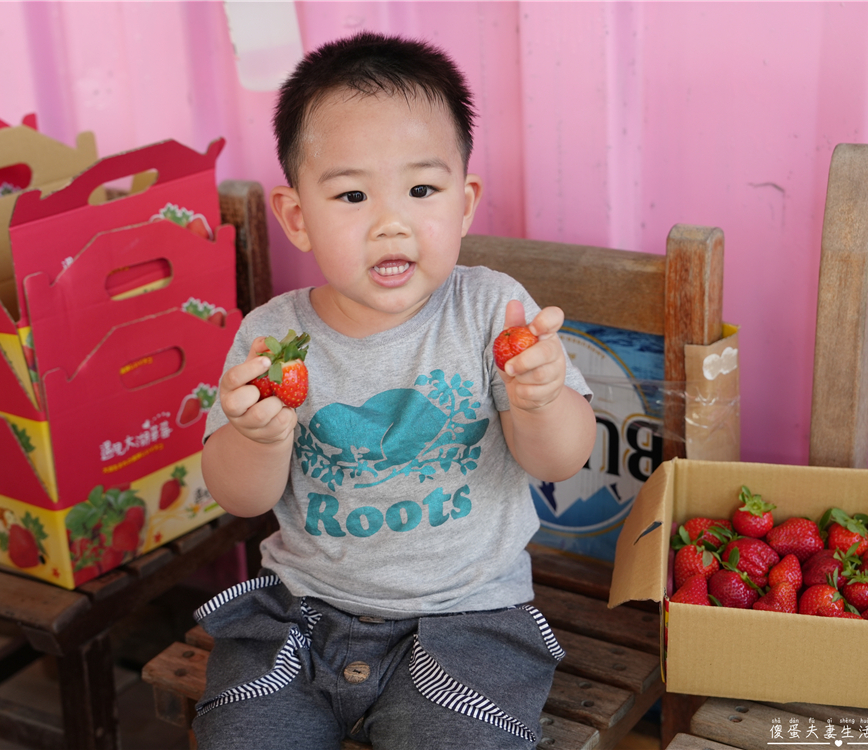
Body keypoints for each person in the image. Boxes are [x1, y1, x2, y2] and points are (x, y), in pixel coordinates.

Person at [194, 31, 597, 750]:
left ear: (464, 202)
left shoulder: (491, 311)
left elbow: (560, 460)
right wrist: (257, 436)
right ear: (296, 217)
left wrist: (540, 401)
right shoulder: (274, 337)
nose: (390, 222)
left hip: (471, 619)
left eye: (421, 189)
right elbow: (241, 498)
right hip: (302, 616)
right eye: (351, 194)